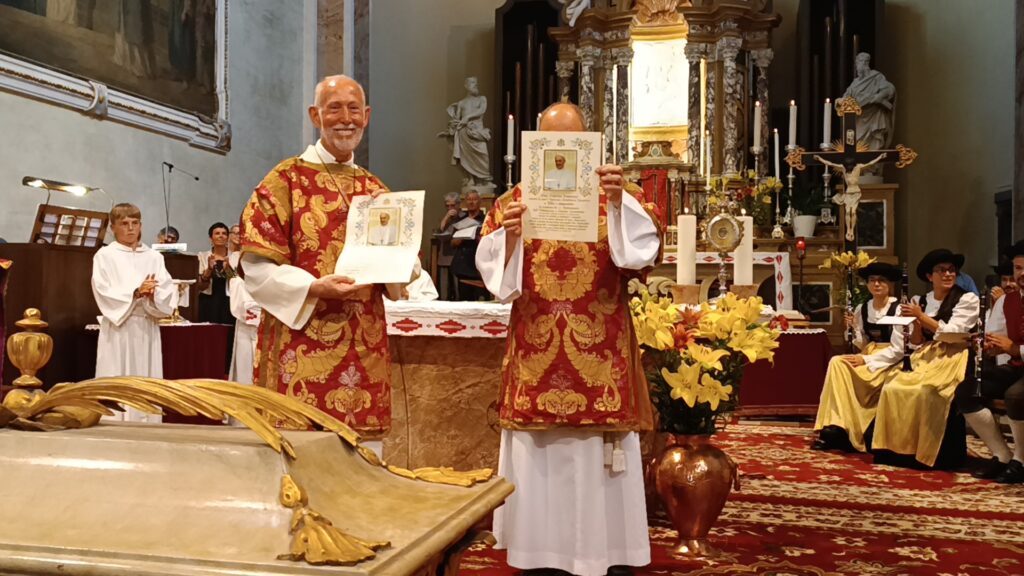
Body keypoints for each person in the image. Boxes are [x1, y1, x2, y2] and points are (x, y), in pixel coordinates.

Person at [476, 102, 660, 576]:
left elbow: (639, 257)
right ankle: (535, 553)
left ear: (590, 141)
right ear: (536, 144)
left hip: (599, 352)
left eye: (573, 140)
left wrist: (617, 204)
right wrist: (510, 237)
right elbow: (499, 283)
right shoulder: (514, 201)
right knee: (537, 456)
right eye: (550, 140)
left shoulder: (617, 193)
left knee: (596, 457)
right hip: (536, 351)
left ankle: (604, 554)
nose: (562, 148)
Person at [240, 75, 407, 457]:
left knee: (362, 462)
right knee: (301, 460)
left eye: (354, 109)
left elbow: (398, 271)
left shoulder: (377, 190)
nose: (345, 119)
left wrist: (402, 258)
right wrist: (314, 287)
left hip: (363, 350)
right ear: (315, 115)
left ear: (367, 116)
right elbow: (256, 265)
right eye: (334, 109)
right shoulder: (285, 180)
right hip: (301, 346)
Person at [871, 249, 980, 468]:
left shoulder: (967, 298)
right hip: (926, 354)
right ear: (930, 277)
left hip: (954, 355)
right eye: (941, 270)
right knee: (893, 386)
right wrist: (916, 324)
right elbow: (916, 341)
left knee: (927, 391)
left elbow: (953, 332)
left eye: (951, 270)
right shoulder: (920, 300)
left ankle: (931, 453)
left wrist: (920, 316)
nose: (948, 274)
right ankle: (898, 450)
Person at [92, 203, 175, 423]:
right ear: (113, 228)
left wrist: (154, 294)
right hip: (119, 326)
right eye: (124, 223)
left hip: (146, 325)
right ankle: (115, 424)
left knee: (146, 380)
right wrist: (135, 292)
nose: (130, 228)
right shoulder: (105, 255)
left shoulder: (154, 257)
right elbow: (102, 290)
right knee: (118, 377)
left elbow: (167, 289)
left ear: (141, 225)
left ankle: (147, 424)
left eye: (135, 223)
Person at [813, 262, 906, 452]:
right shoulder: (862, 308)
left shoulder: (898, 309)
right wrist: (854, 328)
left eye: (881, 280)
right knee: (837, 362)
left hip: (888, 360)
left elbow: (899, 349)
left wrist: (866, 360)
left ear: (890, 284)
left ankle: (852, 427)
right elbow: (861, 344)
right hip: (867, 353)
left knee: (849, 368)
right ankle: (835, 423)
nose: (876, 284)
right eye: (872, 280)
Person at [958, 241, 1024, 484]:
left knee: (1016, 396)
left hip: (1019, 362)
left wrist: (1014, 349)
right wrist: (990, 347)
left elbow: (1012, 346)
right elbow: (998, 337)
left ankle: (1021, 460)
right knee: (967, 390)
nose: (1021, 273)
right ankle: (1002, 455)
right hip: (1017, 366)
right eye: (1018, 268)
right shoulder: (1008, 301)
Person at [438, 76, 493, 186]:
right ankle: (470, 178)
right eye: (472, 83)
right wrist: (449, 132)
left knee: (483, 155)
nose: (475, 85)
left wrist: (467, 117)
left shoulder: (482, 99)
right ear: (466, 86)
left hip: (477, 132)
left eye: (476, 83)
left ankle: (485, 179)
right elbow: (456, 120)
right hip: (464, 133)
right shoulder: (461, 103)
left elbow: (482, 110)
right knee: (466, 158)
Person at [841, 52, 896, 153]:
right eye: (857, 63)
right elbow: (847, 96)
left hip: (872, 118)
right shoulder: (855, 82)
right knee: (856, 144)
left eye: (858, 63)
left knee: (871, 148)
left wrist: (878, 97)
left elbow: (889, 89)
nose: (857, 67)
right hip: (858, 118)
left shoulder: (876, 77)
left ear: (865, 63)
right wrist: (840, 101)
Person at [228, 262, 261, 386]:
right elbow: (239, 308)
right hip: (246, 328)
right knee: (245, 368)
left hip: (265, 327)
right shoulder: (238, 281)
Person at [450, 189, 486, 301]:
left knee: (481, 302)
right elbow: (452, 243)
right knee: (464, 302)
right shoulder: (460, 221)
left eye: (474, 199)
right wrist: (462, 236)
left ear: (480, 201)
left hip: (479, 269)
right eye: (469, 199)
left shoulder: (485, 220)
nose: (471, 202)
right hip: (463, 269)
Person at [197, 222, 234, 325]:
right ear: (211, 238)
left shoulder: (234, 257)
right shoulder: (202, 256)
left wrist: (229, 270)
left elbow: (238, 283)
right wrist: (209, 269)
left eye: (224, 233)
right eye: (217, 233)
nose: (221, 236)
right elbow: (200, 286)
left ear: (227, 238)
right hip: (208, 301)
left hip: (229, 301)